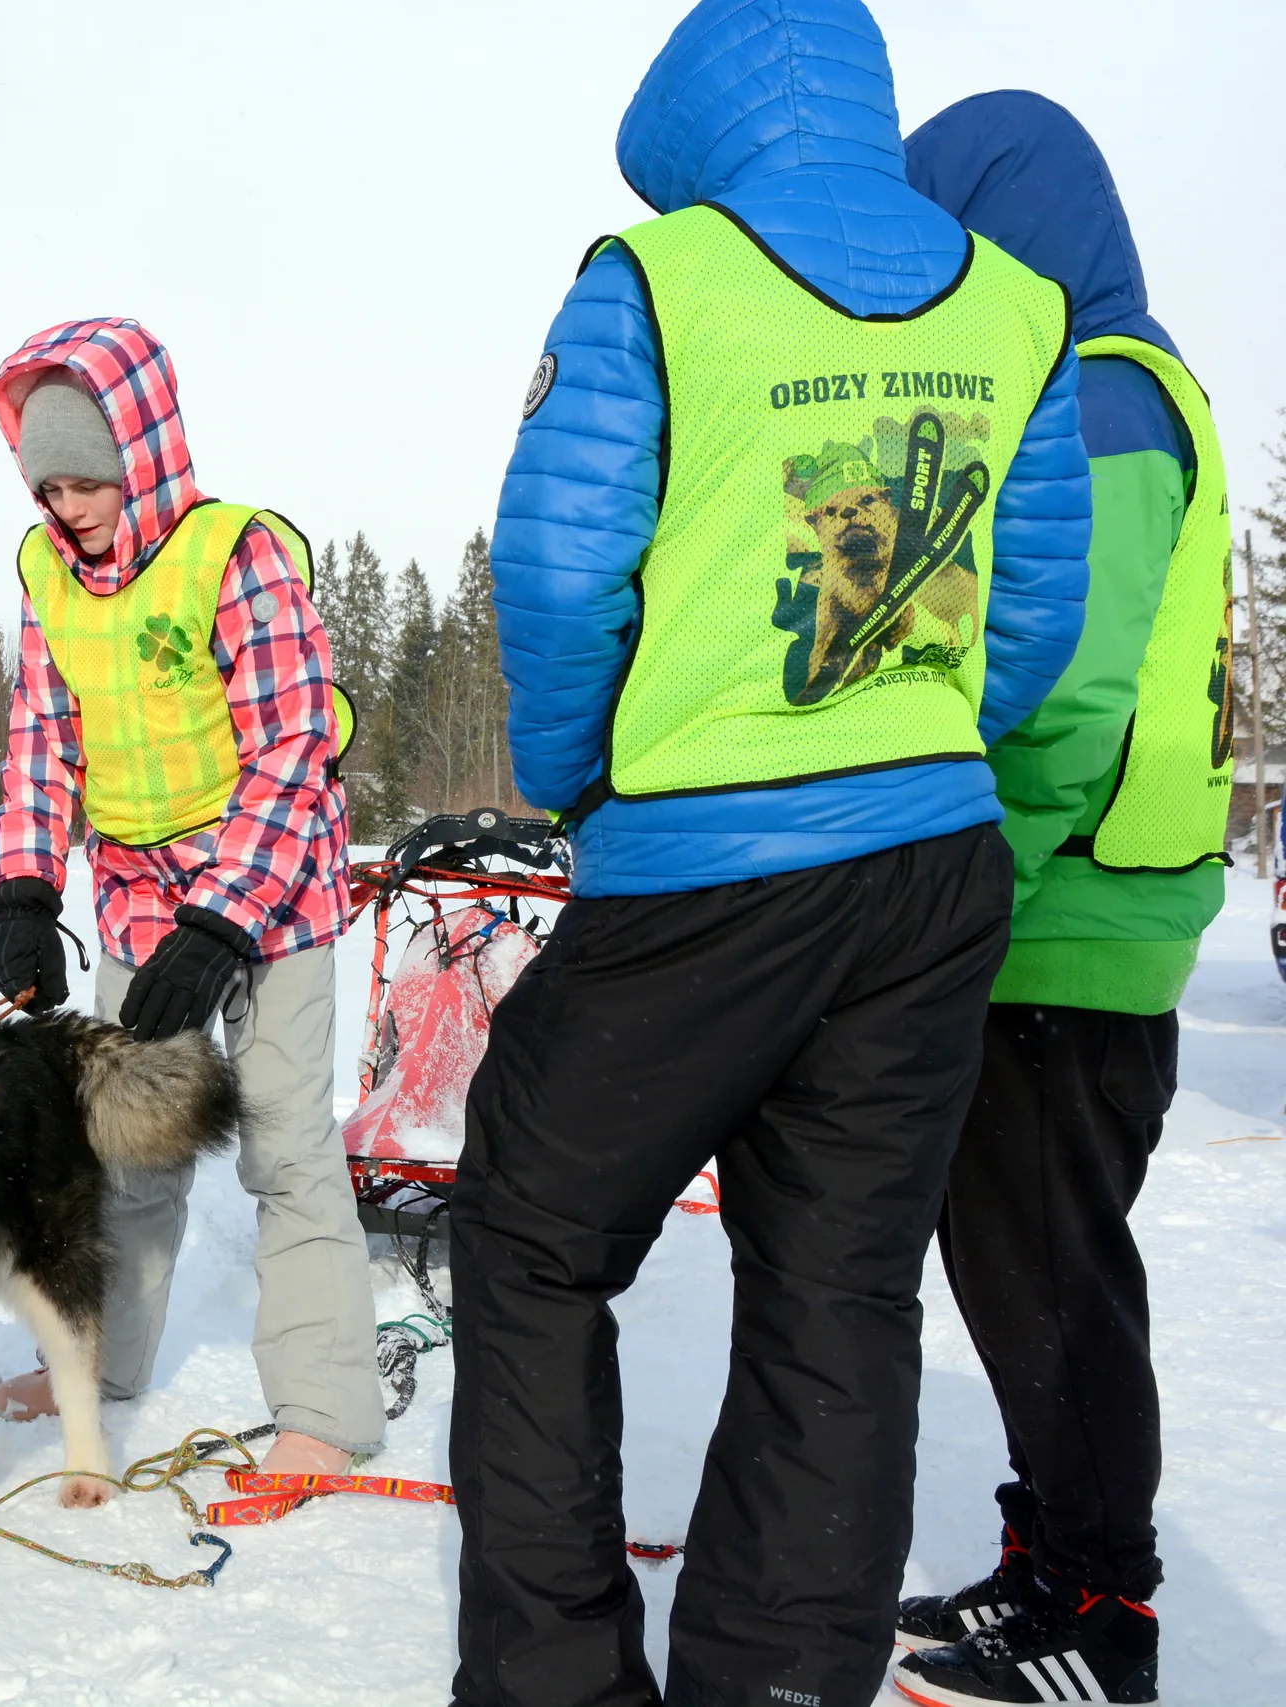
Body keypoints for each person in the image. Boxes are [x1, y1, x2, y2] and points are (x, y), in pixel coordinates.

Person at [449, 2, 1094, 1702]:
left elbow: (561, 564)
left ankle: (555, 1680)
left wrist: (587, 778)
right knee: (842, 1290)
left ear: (698, 118)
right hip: (934, 866)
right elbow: (1036, 607)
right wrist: (918, 734)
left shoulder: (658, 280)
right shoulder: (1019, 304)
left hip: (704, 863)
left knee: (528, 1231)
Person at [883, 92, 1224, 1707]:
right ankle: (1049, 1564)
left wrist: (965, 886)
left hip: (1067, 921)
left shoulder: (1099, 392)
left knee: (1052, 1285)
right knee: (1020, 1276)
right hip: (1051, 915)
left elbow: (1077, 693)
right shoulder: (1068, 387)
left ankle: (1103, 1615)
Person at [0, 317, 384, 1480]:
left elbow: (294, 743)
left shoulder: (232, 554)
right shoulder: (47, 573)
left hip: (275, 885)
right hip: (142, 897)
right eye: (47, 484)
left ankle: (327, 1412)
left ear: (141, 452)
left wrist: (222, 922)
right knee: (123, 1146)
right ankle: (96, 1367)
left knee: (285, 1143)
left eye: (88, 479)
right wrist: (23, 887)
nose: (69, 506)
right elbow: (39, 743)